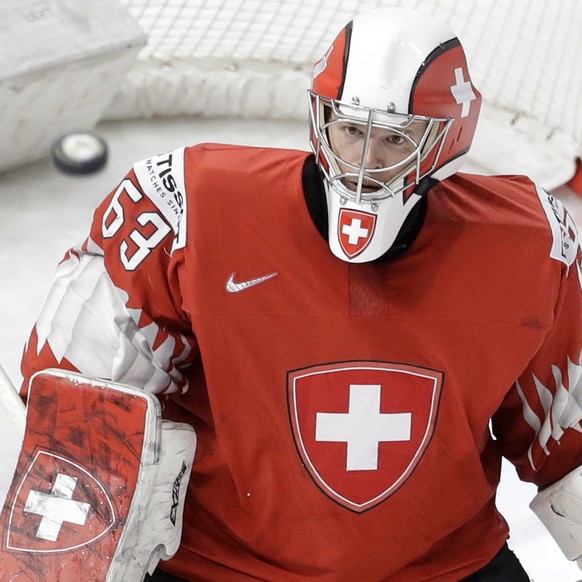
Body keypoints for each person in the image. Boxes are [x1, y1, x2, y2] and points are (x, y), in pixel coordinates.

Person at [16, 6, 582, 581]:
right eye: (351, 130)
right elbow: (74, 417)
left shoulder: (532, 246)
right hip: (221, 566)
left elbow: (570, 437)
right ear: (320, 120)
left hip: (444, 568)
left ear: (447, 139)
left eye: (393, 138)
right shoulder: (185, 209)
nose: (363, 162)